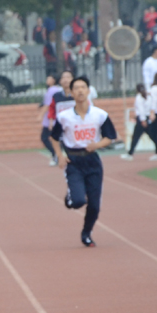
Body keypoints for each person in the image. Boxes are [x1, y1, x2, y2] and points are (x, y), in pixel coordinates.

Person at [50, 76, 117, 248]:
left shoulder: (100, 115)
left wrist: (97, 145)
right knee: (79, 201)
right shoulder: (64, 117)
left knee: (94, 205)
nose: (80, 90)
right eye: (76, 88)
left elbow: (110, 137)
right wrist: (60, 155)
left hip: (93, 161)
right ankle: (71, 197)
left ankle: (86, 233)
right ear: (71, 93)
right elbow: (54, 137)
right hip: (74, 161)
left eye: (83, 87)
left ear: (88, 91)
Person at [120, 84, 157, 161]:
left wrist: (142, 120)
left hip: (141, 119)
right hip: (147, 117)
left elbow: (141, 110)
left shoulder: (139, 97)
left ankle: (130, 154)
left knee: (136, 137)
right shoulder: (148, 96)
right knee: (152, 135)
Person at [39, 74, 64, 166]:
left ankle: (56, 154)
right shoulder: (54, 90)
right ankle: (56, 154)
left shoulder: (52, 90)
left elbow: (49, 105)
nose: (47, 79)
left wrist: (41, 115)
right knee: (55, 137)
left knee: (45, 137)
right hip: (51, 118)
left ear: (54, 80)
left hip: (51, 118)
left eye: (49, 78)